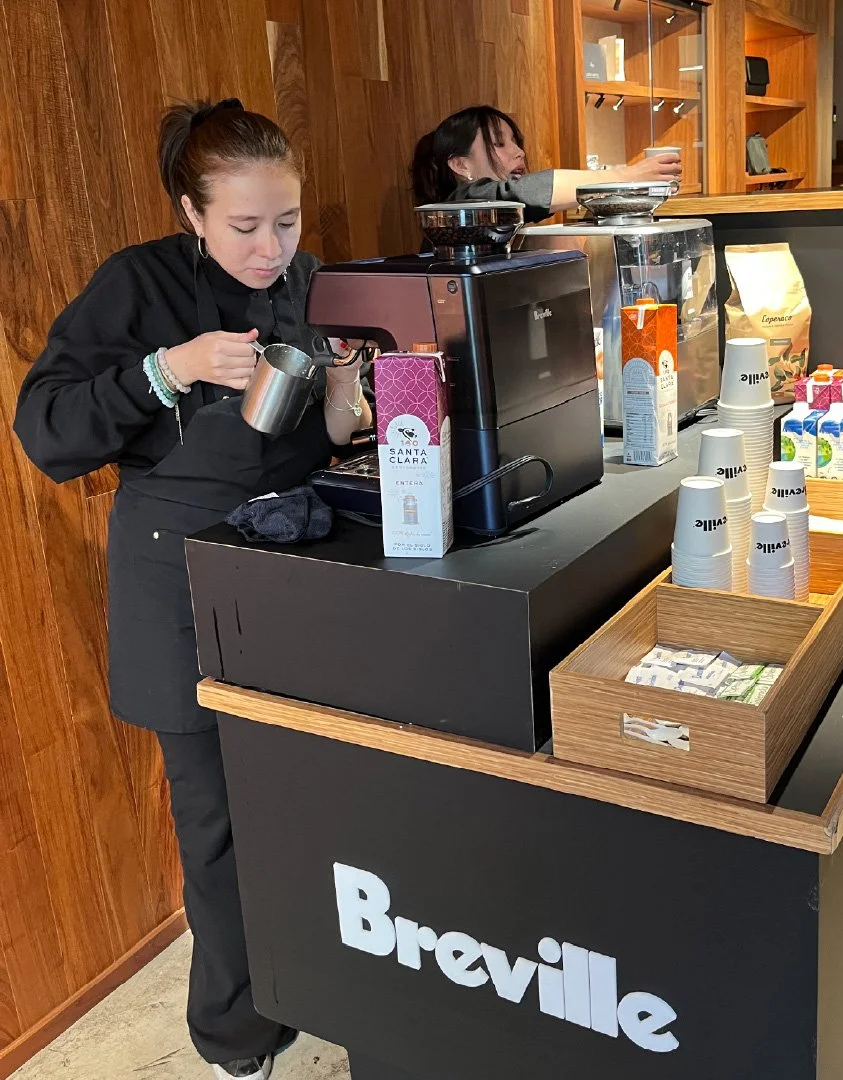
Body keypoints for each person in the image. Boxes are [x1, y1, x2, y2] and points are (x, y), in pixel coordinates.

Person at [14, 99, 371, 1080]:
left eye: (287, 223)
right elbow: (44, 433)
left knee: (315, 805)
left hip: (291, 562)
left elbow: (318, 435)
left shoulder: (304, 282)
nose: (271, 249)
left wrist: (344, 392)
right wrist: (167, 370)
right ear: (193, 213)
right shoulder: (138, 286)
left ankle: (321, 987)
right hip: (180, 575)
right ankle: (235, 1040)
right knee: (217, 831)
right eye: (245, 227)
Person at [411, 104, 682, 222]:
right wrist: (627, 175)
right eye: (499, 143)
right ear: (460, 165)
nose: (519, 153)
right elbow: (527, 193)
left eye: (516, 142)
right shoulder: (459, 205)